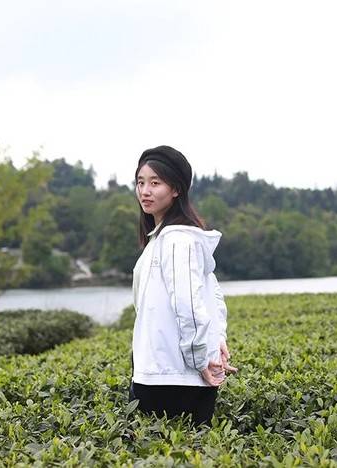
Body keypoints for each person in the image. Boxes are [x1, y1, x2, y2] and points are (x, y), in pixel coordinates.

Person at [129, 145, 238, 427]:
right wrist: (216, 341)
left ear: (176, 189)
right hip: (162, 372)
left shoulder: (178, 240)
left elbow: (190, 305)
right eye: (140, 182)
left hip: (174, 377)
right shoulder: (161, 239)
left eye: (155, 183)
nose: (145, 191)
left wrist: (201, 359)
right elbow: (212, 295)